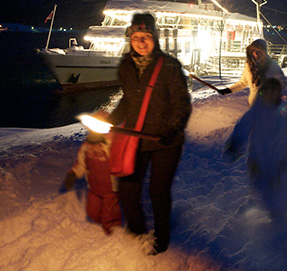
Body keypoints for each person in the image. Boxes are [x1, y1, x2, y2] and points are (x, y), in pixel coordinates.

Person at [102, 13, 192, 254]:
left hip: (166, 140)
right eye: (136, 37)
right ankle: (136, 232)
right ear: (130, 38)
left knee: (158, 191)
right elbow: (128, 100)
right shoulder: (126, 67)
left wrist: (172, 129)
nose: (141, 43)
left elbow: (182, 104)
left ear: (155, 38)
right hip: (136, 138)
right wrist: (110, 121)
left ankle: (161, 238)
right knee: (127, 187)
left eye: (147, 37)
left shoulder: (170, 66)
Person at [223, 78, 287, 221]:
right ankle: (269, 217)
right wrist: (235, 144)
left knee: (279, 195)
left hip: (280, 163)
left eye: (274, 90)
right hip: (258, 162)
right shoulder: (255, 114)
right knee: (262, 191)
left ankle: (280, 223)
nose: (270, 93)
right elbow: (242, 128)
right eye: (267, 90)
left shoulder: (286, 116)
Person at [63, 131, 122, 235]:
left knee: (110, 216)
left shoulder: (109, 145)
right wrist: (72, 175)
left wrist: (106, 141)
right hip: (94, 188)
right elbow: (81, 164)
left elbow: (119, 157)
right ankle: (103, 224)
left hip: (110, 189)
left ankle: (113, 233)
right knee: (93, 213)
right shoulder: (86, 147)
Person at [217, 39, 286, 105]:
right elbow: (243, 83)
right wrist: (228, 90)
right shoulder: (249, 66)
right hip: (252, 105)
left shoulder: (272, 66)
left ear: (263, 52)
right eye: (253, 50)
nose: (255, 53)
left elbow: (282, 84)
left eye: (259, 51)